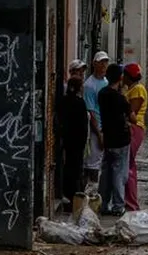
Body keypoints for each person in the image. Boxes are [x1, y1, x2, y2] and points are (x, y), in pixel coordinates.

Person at [98, 63, 131, 216]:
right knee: (119, 173)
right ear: (120, 78)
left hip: (108, 138)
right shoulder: (121, 98)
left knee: (106, 172)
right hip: (121, 140)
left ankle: (103, 203)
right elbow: (133, 118)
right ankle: (118, 205)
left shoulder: (102, 94)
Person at [60, 68, 88, 206]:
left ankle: (68, 193)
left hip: (67, 139)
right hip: (77, 141)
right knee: (76, 169)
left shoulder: (64, 101)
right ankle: (74, 196)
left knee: (68, 167)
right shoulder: (79, 103)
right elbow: (83, 126)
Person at [123, 62, 148, 211]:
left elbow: (132, 114)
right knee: (128, 164)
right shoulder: (132, 89)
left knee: (129, 164)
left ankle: (131, 202)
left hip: (134, 128)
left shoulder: (138, 90)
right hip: (133, 128)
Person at [83, 51, 110, 186]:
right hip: (97, 127)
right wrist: (99, 133)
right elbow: (91, 111)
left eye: (106, 62)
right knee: (93, 162)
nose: (104, 65)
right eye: (101, 62)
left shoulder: (106, 82)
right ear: (94, 64)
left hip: (106, 125)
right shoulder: (89, 85)